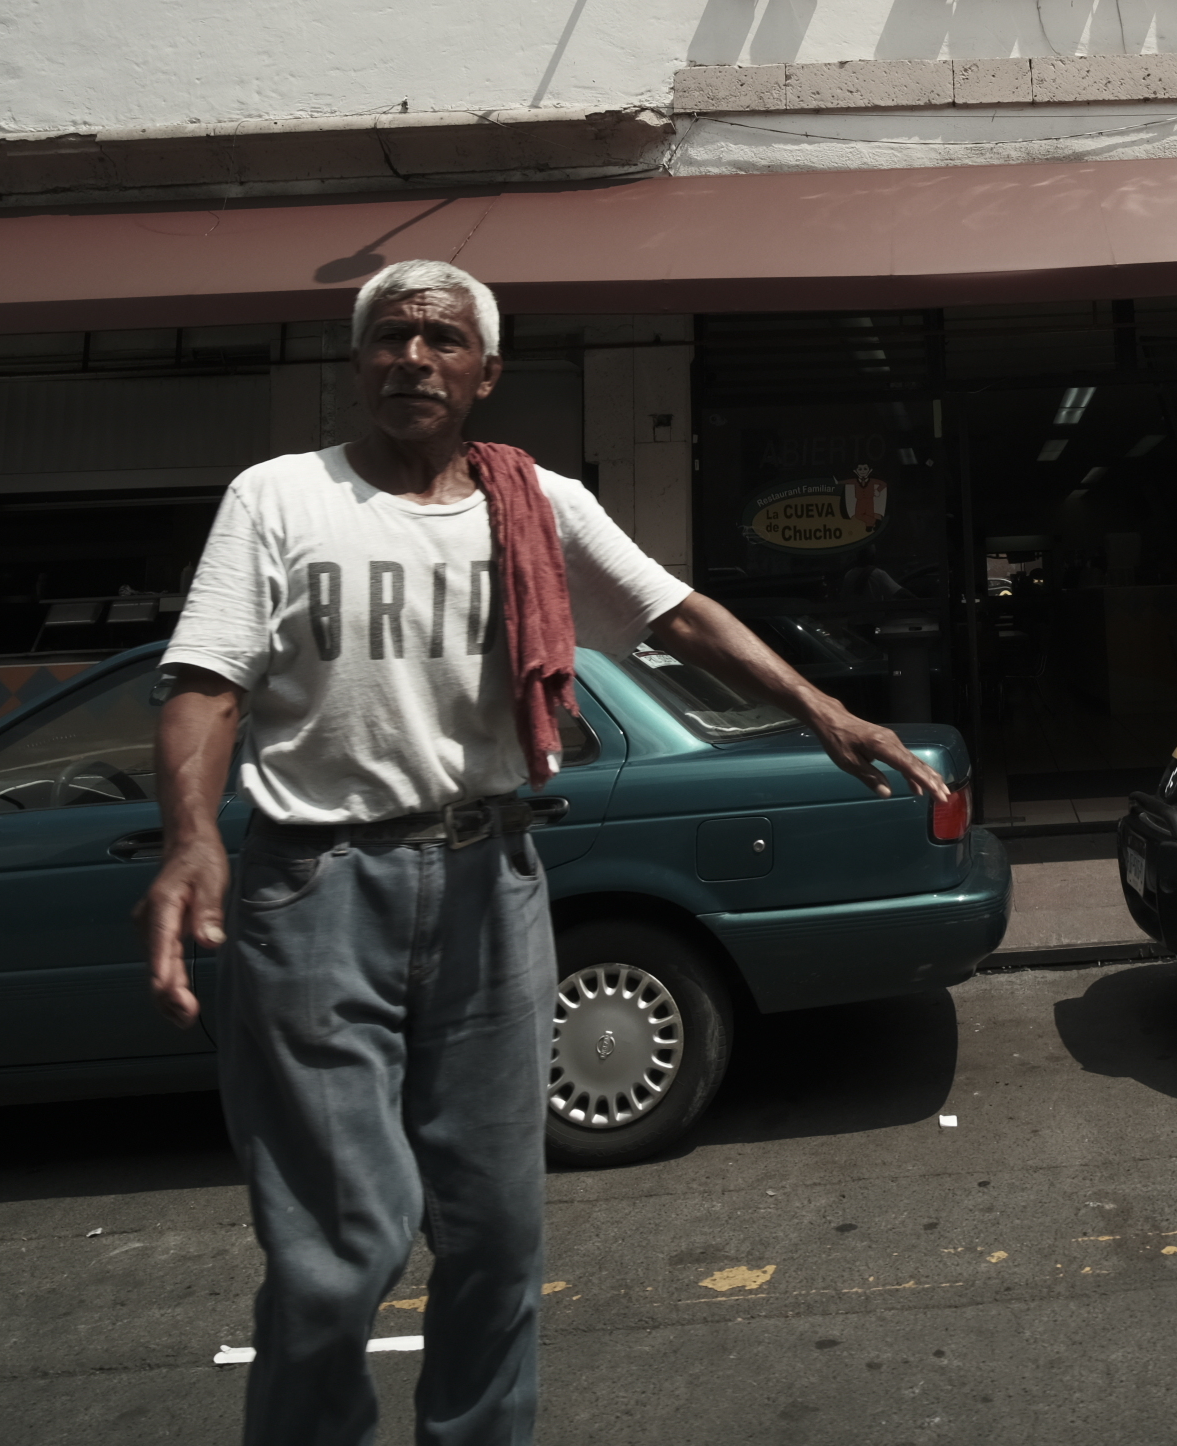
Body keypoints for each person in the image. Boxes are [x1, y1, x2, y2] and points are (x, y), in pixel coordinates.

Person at [135, 258, 948, 1446]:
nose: (413, 356)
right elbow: (206, 683)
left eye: (442, 339)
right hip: (315, 889)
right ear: (358, 363)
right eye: (390, 337)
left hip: (488, 877)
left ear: (486, 372)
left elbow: (677, 614)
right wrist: (192, 838)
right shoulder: (278, 497)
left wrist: (823, 708)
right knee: (334, 1252)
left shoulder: (539, 504)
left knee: (496, 1233)